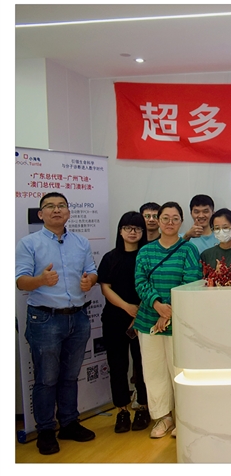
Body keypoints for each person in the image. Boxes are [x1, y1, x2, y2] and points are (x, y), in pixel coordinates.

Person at [15, 192, 98, 455]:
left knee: (70, 376)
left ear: (69, 212)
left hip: (78, 316)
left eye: (61, 205)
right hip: (45, 318)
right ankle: (46, 430)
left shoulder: (81, 242)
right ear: (41, 214)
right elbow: (20, 281)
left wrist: (90, 281)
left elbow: (92, 271)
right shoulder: (29, 243)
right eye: (50, 206)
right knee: (46, 378)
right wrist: (41, 280)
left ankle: (69, 423)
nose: (56, 210)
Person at [134, 202, 201, 439]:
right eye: (165, 218)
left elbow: (191, 281)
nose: (170, 222)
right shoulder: (146, 251)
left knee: (179, 372)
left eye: (175, 218)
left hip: (178, 321)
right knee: (154, 372)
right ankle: (163, 418)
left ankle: (183, 419)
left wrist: (169, 312)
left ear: (181, 222)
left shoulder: (188, 250)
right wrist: (158, 306)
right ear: (158, 221)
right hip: (149, 321)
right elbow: (140, 281)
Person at [98, 211, 151, 434]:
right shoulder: (110, 258)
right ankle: (122, 410)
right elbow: (105, 287)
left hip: (143, 319)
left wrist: (137, 314)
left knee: (142, 366)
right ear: (120, 231)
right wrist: (127, 307)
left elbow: (151, 287)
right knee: (117, 366)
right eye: (128, 228)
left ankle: (144, 408)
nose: (132, 232)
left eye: (137, 228)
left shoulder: (147, 256)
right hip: (114, 319)